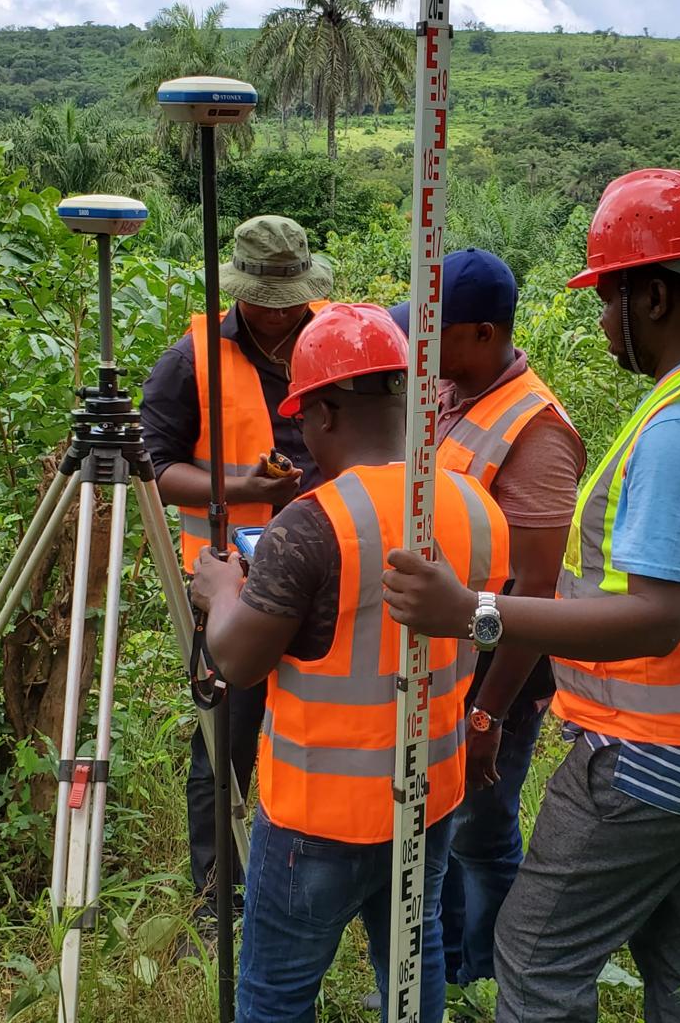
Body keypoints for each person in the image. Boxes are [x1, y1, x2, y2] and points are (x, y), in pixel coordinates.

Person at [382, 168, 680, 1023]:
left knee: (534, 958)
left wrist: (470, 611)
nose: (599, 321)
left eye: (605, 297)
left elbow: (656, 617)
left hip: (645, 754)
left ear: (651, 298)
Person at [190, 303, 510, 1023]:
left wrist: (221, 591)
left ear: (324, 412)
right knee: (410, 961)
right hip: (429, 795)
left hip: (315, 821)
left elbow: (238, 662)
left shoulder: (310, 523)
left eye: (303, 417)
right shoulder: (474, 503)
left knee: (275, 995)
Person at [389, 248, 585, 986]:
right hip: (448, 663)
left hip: (494, 679)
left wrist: (486, 717)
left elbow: (538, 596)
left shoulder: (536, 433)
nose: (419, 347)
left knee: (482, 826)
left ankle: (494, 973)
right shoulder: (451, 392)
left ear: (479, 333)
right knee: (448, 822)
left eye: (432, 332)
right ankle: (460, 964)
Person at [140, 215, 333, 922]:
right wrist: (240, 491)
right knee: (223, 744)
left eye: (292, 298)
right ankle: (216, 899)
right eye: (265, 299)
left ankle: (313, 887)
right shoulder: (191, 358)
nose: (281, 314)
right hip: (234, 583)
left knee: (331, 729)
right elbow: (152, 468)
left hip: (332, 570)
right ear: (237, 290)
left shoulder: (335, 336)